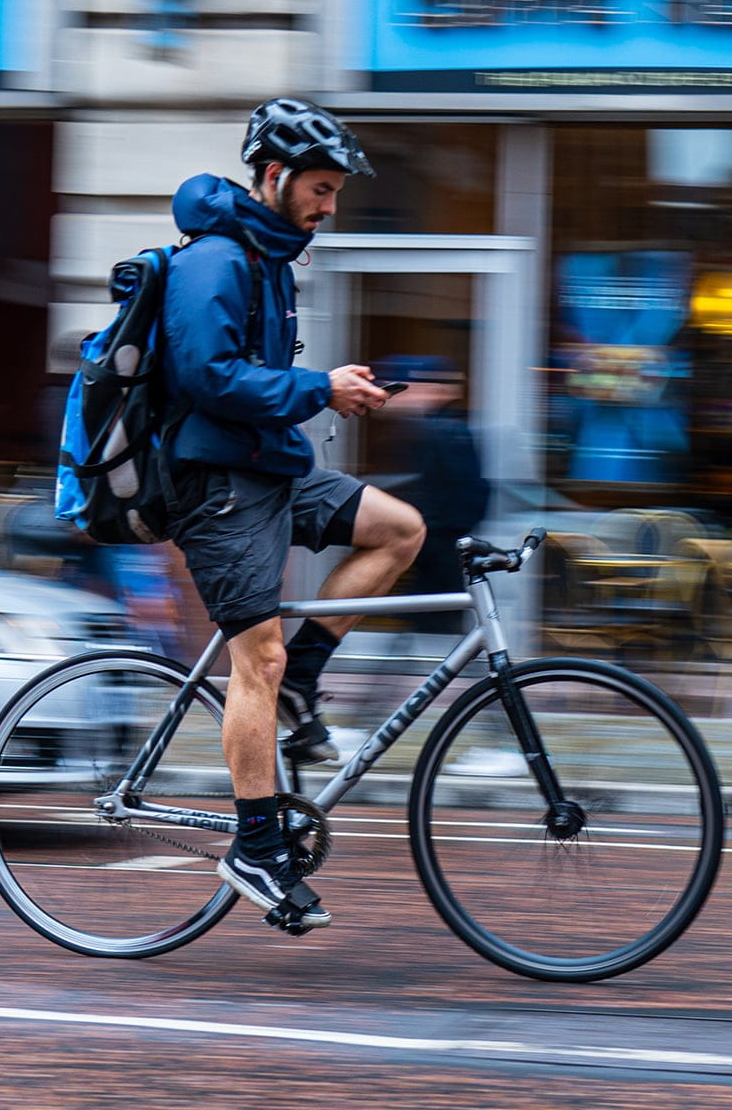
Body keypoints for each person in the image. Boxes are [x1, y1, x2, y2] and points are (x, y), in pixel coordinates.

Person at [161, 98, 426, 933]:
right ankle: (256, 846)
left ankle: (306, 685)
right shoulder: (216, 260)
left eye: (335, 191)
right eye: (319, 187)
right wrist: (319, 388)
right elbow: (207, 378)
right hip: (214, 486)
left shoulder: (272, 257)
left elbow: (255, 383)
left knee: (401, 529)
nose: (329, 206)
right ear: (273, 177)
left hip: (270, 470)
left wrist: (332, 386)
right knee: (256, 662)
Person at [379, 356, 491, 632]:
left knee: (433, 619)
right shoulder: (430, 429)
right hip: (438, 544)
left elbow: (459, 493)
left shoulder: (442, 432)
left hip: (440, 547)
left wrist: (425, 532)